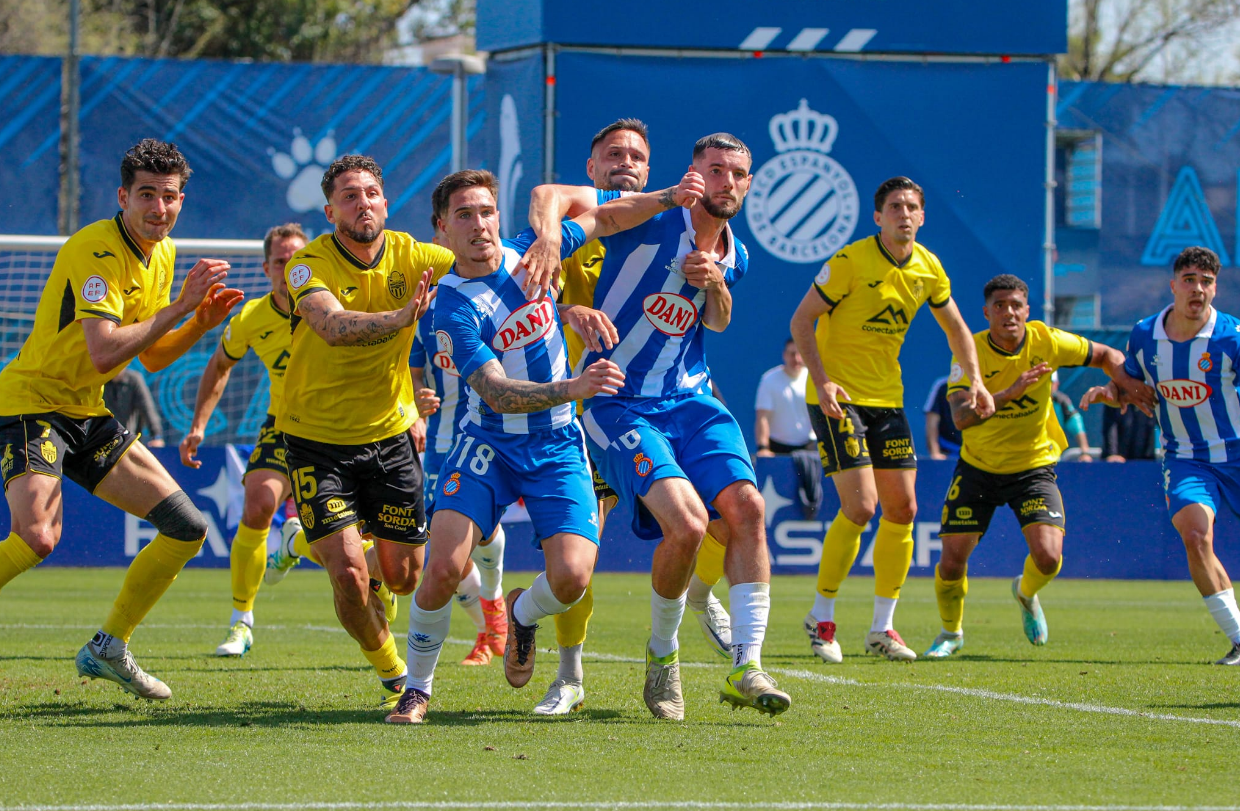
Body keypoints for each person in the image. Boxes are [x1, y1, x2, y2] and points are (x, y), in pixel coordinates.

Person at [386, 168, 700, 724]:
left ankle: (522, 613)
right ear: (441, 230)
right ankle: (416, 688)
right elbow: (494, 391)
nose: (479, 224)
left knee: (573, 578)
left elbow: (602, 217)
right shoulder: (450, 307)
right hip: (488, 443)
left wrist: (670, 196)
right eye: (464, 215)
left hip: (556, 442)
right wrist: (573, 388)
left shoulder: (529, 253)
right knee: (441, 569)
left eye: (486, 211)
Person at [525, 133, 791, 720]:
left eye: (737, 174)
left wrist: (715, 283)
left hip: (693, 402)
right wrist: (549, 241)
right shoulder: (645, 216)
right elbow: (561, 202)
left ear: (748, 186)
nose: (725, 182)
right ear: (692, 174)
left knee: (746, 512)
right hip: (614, 402)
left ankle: (746, 666)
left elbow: (718, 322)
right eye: (714, 170)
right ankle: (627, 660)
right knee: (680, 528)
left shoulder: (735, 253)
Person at [0, 139, 242, 699]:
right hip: (33, 402)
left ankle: (109, 646)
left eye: (170, 197)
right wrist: (180, 307)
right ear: (123, 197)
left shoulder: (164, 253)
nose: (160, 209)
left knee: (188, 527)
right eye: (147, 196)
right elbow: (106, 353)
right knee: (37, 536)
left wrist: (199, 323)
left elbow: (151, 355)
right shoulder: (96, 249)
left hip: (87, 411)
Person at [788, 176, 995, 664]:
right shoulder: (849, 261)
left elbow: (961, 332)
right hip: (837, 398)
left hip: (888, 402)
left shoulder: (929, 267)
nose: (904, 214)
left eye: (912, 207)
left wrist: (977, 381)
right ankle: (821, 618)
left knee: (902, 511)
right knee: (861, 508)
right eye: (895, 207)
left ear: (923, 217)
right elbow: (801, 322)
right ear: (877, 217)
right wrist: (821, 381)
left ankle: (881, 628)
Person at [276, 154, 447, 712]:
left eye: (371, 192)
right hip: (314, 439)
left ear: (386, 202)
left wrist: (561, 301)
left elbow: (487, 265)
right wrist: (401, 319)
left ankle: (303, 542)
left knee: (402, 579)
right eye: (349, 196)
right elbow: (329, 325)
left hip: (391, 435)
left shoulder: (415, 254)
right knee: (350, 577)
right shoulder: (307, 262)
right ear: (330, 211)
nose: (363, 203)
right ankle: (394, 672)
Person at [922, 274, 1147, 658]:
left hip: (1033, 467)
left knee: (1049, 557)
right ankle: (951, 633)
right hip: (979, 467)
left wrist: (1124, 386)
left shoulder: (1047, 340)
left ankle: (1025, 594)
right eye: (999, 306)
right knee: (951, 562)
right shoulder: (969, 352)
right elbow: (960, 418)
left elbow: (1108, 356)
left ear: (1027, 311)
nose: (1008, 312)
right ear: (986, 312)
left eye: (1015, 305)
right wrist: (1010, 393)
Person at [180, 222, 363, 658]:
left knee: (352, 542)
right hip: (284, 427)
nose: (288, 266)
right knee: (259, 503)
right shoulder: (251, 317)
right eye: (280, 260)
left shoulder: (335, 305)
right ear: (266, 268)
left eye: (296, 258)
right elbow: (219, 365)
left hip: (344, 429)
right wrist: (198, 426)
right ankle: (241, 621)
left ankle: (294, 543)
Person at [1082, 246, 1240, 665]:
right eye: (1189, 279)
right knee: (1194, 535)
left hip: (1237, 452)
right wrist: (1109, 393)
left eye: (1206, 282)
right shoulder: (1145, 335)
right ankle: (1238, 637)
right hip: (1185, 456)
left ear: (1215, 288)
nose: (1198, 289)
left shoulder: (1232, 337)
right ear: (1173, 285)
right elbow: (1132, 387)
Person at [408, 224, 509, 668]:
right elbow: (410, 372)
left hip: (495, 432)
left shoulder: (504, 290)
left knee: (484, 535)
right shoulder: (426, 306)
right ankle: (490, 626)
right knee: (446, 545)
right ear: (440, 234)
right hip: (443, 439)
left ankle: (495, 603)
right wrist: (415, 400)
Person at [754, 339, 816, 456]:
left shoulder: (813, 379)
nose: (796, 359)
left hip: (808, 447)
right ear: (784, 355)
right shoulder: (769, 380)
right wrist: (763, 447)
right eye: (792, 354)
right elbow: (763, 417)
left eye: (800, 354)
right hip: (777, 448)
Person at [103, 367, 164, 447]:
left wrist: (156, 436)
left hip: (129, 441)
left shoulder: (134, 380)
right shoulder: (101, 381)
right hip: (104, 441)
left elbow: (147, 409)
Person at [1050, 372, 1093, 461]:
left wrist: (1085, 453)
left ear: (1056, 384)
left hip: (1052, 458)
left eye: (1050, 383)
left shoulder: (1061, 402)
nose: (1048, 386)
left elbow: (1076, 425)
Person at [1101, 396, 1158, 461]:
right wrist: (1112, 453)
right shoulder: (1115, 395)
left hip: (1146, 460)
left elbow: (1164, 424)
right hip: (1119, 461)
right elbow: (1110, 427)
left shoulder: (1151, 396)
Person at [923, 375, 960, 459]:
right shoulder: (943, 385)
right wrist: (935, 453)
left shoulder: (987, 385)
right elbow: (932, 422)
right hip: (949, 453)